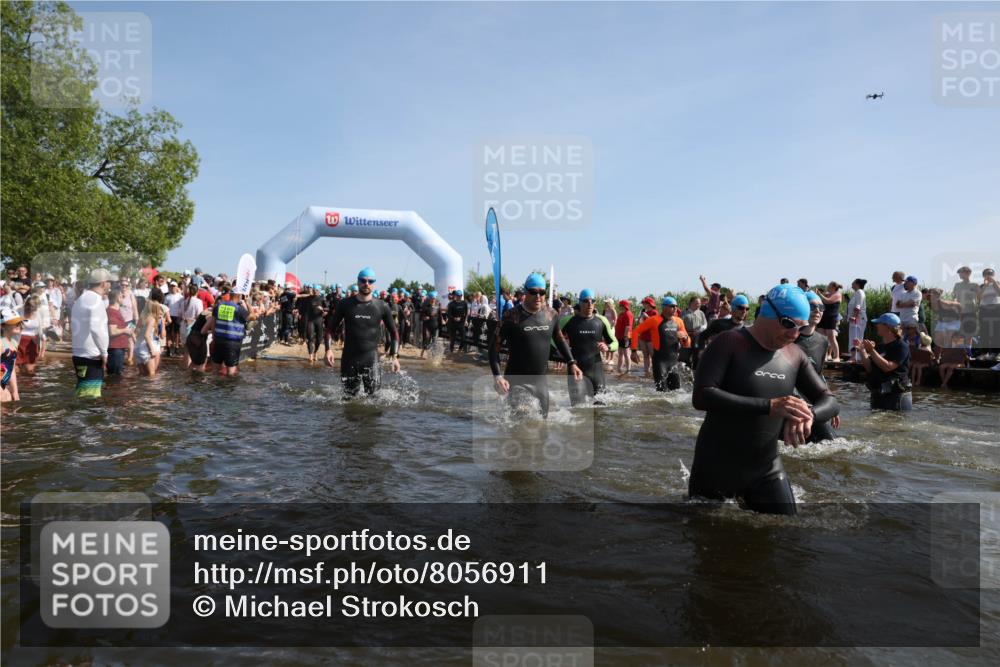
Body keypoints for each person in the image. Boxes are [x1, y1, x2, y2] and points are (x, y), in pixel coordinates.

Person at [688, 285, 839, 516]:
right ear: (766, 313)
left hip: (767, 469)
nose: (794, 334)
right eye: (789, 324)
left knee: (787, 534)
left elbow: (829, 400)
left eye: (801, 327)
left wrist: (808, 415)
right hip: (716, 466)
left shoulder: (794, 354)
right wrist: (770, 406)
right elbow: (702, 396)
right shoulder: (729, 342)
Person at [490, 273, 580, 418]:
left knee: (541, 427)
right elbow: (494, 349)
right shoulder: (511, 316)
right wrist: (498, 377)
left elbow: (559, 339)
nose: (538, 296)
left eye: (542, 292)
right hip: (516, 381)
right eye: (533, 292)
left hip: (540, 383)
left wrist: (571, 362)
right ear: (525, 292)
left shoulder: (551, 314)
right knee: (521, 420)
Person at [325, 267, 400, 397]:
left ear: (374, 283)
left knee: (374, 402)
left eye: (370, 281)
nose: (367, 284)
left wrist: (394, 356)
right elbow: (330, 329)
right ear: (358, 282)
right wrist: (328, 349)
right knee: (348, 400)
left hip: (371, 359)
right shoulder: (345, 304)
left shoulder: (382, 306)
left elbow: (394, 333)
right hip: (349, 359)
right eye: (363, 280)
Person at [558, 289, 618, 405]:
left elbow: (615, 342)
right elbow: (552, 340)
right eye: (586, 301)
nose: (590, 304)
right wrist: (563, 352)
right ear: (580, 303)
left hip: (597, 373)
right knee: (577, 412)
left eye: (592, 301)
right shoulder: (568, 321)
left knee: (601, 413)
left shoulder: (601, 321)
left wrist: (608, 347)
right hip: (576, 373)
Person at [794, 292, 840, 441]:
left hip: (813, 405)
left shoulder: (822, 341)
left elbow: (819, 375)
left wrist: (829, 402)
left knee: (830, 443)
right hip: (793, 403)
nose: (817, 311)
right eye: (812, 306)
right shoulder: (789, 338)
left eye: (821, 307)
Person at [629, 296, 690, 391]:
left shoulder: (679, 321)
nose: (675, 309)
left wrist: (685, 338)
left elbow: (687, 344)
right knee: (661, 392)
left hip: (674, 362)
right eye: (672, 306)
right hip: (660, 362)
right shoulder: (654, 320)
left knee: (677, 392)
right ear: (664, 307)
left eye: (676, 306)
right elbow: (636, 331)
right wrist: (633, 351)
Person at [70, 268, 112, 398]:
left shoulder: (82, 299)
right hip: (92, 356)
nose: (110, 285)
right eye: (109, 282)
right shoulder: (95, 301)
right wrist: (104, 353)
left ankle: (75, 417)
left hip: (79, 354)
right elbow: (97, 329)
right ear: (104, 283)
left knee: (82, 393)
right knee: (91, 399)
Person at [858, 313, 912, 411]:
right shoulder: (880, 346)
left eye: (879, 323)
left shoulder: (902, 346)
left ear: (888, 327)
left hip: (896, 396)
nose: (877, 326)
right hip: (880, 394)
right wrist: (862, 350)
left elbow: (888, 367)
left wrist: (872, 351)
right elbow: (870, 368)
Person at [206, 286, 255, 376]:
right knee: (231, 371)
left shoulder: (219, 306)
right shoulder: (239, 309)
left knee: (215, 370)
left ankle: (214, 389)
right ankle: (229, 389)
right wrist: (247, 302)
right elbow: (253, 317)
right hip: (232, 343)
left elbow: (213, 323)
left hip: (219, 340)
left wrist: (214, 337)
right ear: (239, 296)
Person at [134, 288, 167, 377]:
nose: (161, 314)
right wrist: (152, 349)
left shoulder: (143, 315)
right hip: (148, 347)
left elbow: (135, 331)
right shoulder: (152, 319)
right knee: (152, 375)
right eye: (160, 312)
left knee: (142, 375)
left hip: (137, 348)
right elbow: (147, 335)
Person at [105, 290, 134, 376]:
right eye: (122, 296)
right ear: (118, 298)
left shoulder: (115, 311)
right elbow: (112, 331)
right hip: (115, 349)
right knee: (114, 377)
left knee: (116, 376)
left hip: (118, 348)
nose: (123, 298)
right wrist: (125, 330)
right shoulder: (111, 312)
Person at [16, 297, 43, 374]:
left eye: (34, 308)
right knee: (15, 369)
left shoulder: (38, 313)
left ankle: (29, 385)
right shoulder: (18, 310)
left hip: (32, 343)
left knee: (29, 370)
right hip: (19, 342)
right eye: (30, 307)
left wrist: (41, 349)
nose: (32, 309)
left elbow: (40, 332)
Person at [817, 281, 843, 361]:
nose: (827, 286)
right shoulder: (827, 294)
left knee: (831, 338)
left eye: (829, 285)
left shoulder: (837, 294)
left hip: (831, 318)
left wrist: (820, 294)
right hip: (823, 317)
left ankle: (837, 356)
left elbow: (828, 301)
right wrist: (820, 294)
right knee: (822, 337)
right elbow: (821, 301)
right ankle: (824, 356)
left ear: (833, 287)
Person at [1, 308, 23, 403]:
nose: (19, 324)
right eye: (14, 322)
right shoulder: (1, 343)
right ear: (3, 325)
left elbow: (11, 369)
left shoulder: (14, 343)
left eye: (19, 322)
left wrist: (15, 392)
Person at [951, 266, 979, 337]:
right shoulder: (957, 285)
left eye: (961, 273)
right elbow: (953, 298)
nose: (959, 274)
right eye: (959, 273)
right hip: (959, 313)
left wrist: (977, 307)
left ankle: (968, 348)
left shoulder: (975, 285)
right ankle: (960, 348)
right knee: (959, 334)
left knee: (970, 334)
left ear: (968, 273)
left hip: (971, 312)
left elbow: (980, 297)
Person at [635, 296, 657, 377]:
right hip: (643, 336)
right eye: (643, 303)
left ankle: (655, 371)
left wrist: (646, 317)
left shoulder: (654, 312)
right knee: (645, 355)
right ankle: (646, 372)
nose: (643, 305)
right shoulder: (644, 312)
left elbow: (655, 323)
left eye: (644, 303)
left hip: (651, 337)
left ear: (649, 304)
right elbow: (641, 324)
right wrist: (639, 319)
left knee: (652, 355)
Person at [847, 279, 868, 362]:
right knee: (854, 337)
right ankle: (856, 357)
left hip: (858, 319)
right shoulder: (856, 293)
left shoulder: (859, 292)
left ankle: (855, 357)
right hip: (856, 319)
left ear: (857, 284)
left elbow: (858, 306)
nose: (851, 283)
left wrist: (855, 316)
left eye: (853, 282)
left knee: (856, 337)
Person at [979, 268, 1000, 349]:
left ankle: (996, 352)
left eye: (990, 273)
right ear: (983, 276)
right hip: (984, 308)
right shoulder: (981, 286)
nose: (988, 275)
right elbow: (979, 297)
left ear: (993, 275)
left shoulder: (997, 283)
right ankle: (984, 352)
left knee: (997, 330)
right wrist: (985, 286)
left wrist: (994, 282)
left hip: (996, 308)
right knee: (984, 330)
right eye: (986, 274)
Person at [614, 299, 633, 375]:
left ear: (625, 306)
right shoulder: (621, 313)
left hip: (626, 336)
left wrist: (625, 336)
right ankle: (619, 368)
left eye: (621, 306)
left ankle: (628, 370)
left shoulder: (628, 314)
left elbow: (628, 326)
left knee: (626, 353)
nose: (620, 307)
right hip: (620, 336)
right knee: (620, 353)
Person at [447, 289, 469, 354]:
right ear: (455, 296)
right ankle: (451, 350)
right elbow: (448, 314)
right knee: (453, 338)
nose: (459, 297)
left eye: (460, 295)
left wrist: (466, 320)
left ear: (461, 296)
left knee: (463, 338)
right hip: (453, 323)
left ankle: (460, 349)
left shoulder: (464, 303)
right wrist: (454, 318)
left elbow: (467, 312)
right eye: (457, 295)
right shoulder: (451, 304)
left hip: (461, 323)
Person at [419, 290, 441, 358]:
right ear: (429, 299)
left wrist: (441, 325)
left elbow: (440, 317)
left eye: (434, 298)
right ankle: (423, 351)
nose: (433, 300)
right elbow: (420, 317)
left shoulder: (438, 307)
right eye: (432, 298)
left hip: (435, 326)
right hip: (427, 326)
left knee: (435, 341)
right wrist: (424, 317)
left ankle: (433, 356)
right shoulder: (426, 307)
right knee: (427, 340)